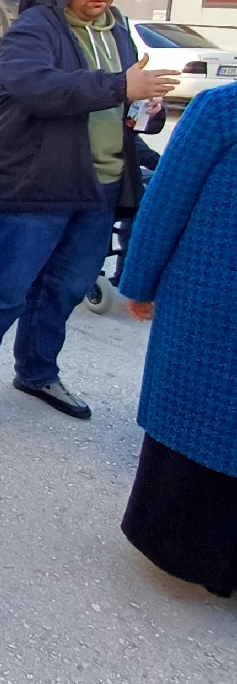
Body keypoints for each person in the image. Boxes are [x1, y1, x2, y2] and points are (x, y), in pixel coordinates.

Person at [0, 0, 176, 424]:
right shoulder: (34, 26)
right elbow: (34, 87)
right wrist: (119, 86)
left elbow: (121, 100)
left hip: (99, 184)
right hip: (36, 182)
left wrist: (143, 105)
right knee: (6, 288)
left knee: (65, 288)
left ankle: (37, 372)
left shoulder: (119, 29)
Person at [117, 81, 237, 598]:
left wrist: (139, 282)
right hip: (215, 299)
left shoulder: (223, 109)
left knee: (198, 418)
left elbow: (167, 202)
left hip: (212, 297)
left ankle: (184, 552)